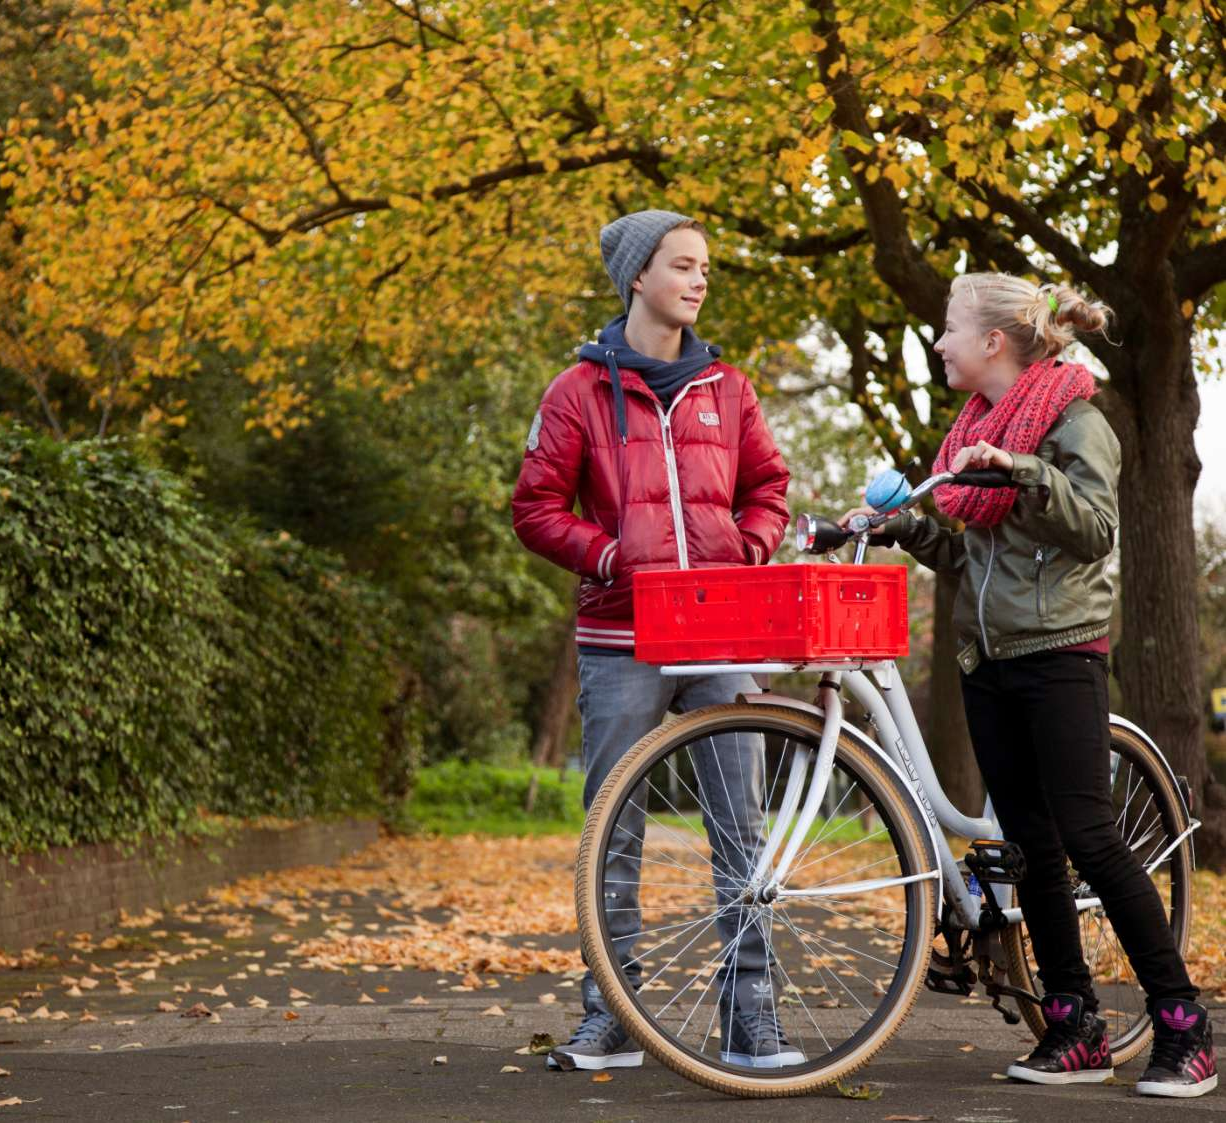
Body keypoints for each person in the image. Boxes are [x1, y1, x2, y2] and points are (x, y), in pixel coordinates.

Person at [842, 271, 1215, 1098]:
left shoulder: (1075, 419)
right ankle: (1073, 1024)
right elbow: (972, 556)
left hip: (1059, 656)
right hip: (988, 663)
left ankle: (1183, 1026)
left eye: (947, 327)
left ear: (992, 342)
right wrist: (906, 526)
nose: (938, 342)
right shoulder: (972, 429)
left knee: (1088, 836)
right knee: (1030, 852)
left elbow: (1094, 529)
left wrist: (1021, 471)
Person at [512, 209, 794, 1072]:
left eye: (704, 266)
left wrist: (746, 548)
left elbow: (769, 489)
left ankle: (752, 1023)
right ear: (638, 277)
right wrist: (606, 554)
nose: (699, 279)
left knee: (739, 831)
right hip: (619, 637)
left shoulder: (728, 388)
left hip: (719, 634)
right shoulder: (575, 393)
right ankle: (611, 1018)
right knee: (614, 831)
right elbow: (534, 509)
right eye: (682, 265)